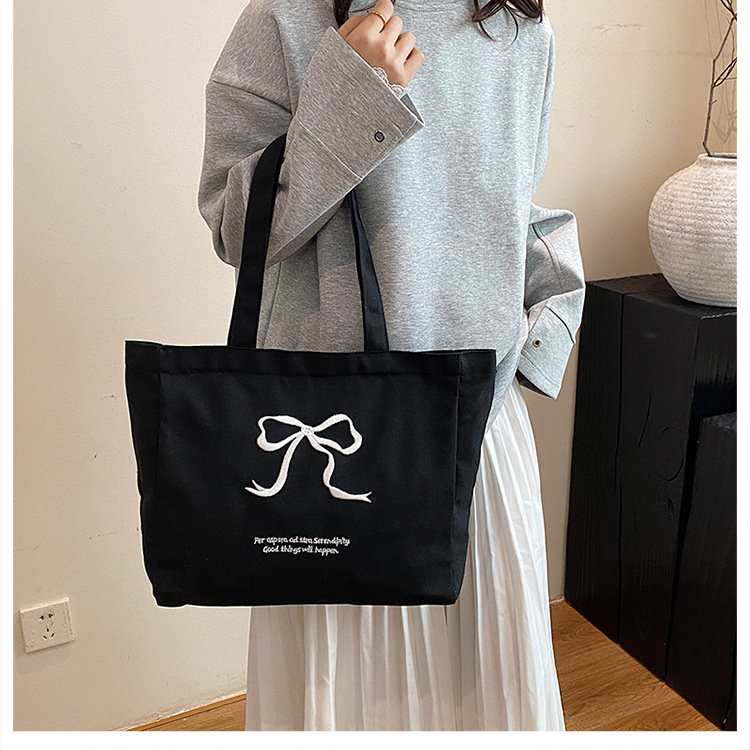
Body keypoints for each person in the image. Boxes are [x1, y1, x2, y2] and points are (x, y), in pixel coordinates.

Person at [198, 0, 585, 731]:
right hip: (336, 451)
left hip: (478, 433)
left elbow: (512, 207)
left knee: (488, 699)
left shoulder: (518, 28)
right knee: (349, 704)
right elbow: (235, 229)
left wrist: (548, 332)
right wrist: (349, 91)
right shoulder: (284, 19)